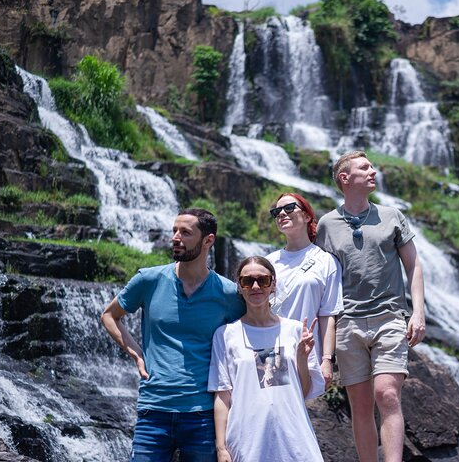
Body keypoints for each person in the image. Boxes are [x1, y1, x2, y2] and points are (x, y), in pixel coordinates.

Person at [101, 208, 245, 462]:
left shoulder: (229, 294)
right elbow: (110, 316)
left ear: (208, 241)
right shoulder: (148, 279)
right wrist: (137, 354)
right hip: (153, 410)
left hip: (203, 414)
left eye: (186, 232)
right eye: (174, 231)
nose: (175, 237)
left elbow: (249, 335)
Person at [315, 151, 426, 462]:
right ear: (345, 179)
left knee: (387, 394)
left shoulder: (392, 216)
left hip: (390, 318)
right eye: (365, 168)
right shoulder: (326, 225)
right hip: (347, 323)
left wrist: (417, 312)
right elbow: (322, 282)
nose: (373, 171)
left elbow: (413, 265)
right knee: (360, 405)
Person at [208, 256, 325, 462]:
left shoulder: (295, 330)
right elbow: (222, 396)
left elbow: (302, 392)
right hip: (247, 442)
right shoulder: (226, 335)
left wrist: (301, 359)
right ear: (240, 286)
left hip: (292, 439)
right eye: (247, 281)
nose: (255, 286)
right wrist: (221, 448)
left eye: (262, 280)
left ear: (273, 284)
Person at [265, 192, 343, 387]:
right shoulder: (269, 262)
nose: (282, 213)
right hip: (272, 351)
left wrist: (327, 359)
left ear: (308, 216)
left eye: (289, 208)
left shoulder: (326, 261)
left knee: (305, 411)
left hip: (308, 352)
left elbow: (328, 315)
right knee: (273, 410)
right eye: (277, 211)